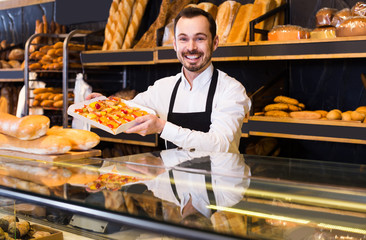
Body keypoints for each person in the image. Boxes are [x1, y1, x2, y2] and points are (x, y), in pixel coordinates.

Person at [87, 7, 251, 153]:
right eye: (183, 39)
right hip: (174, 184)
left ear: (215, 43)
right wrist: (105, 105)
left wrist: (161, 127)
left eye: (200, 38)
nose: (191, 47)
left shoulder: (231, 90)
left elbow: (221, 145)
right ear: (174, 44)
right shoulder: (163, 88)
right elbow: (129, 113)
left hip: (216, 185)